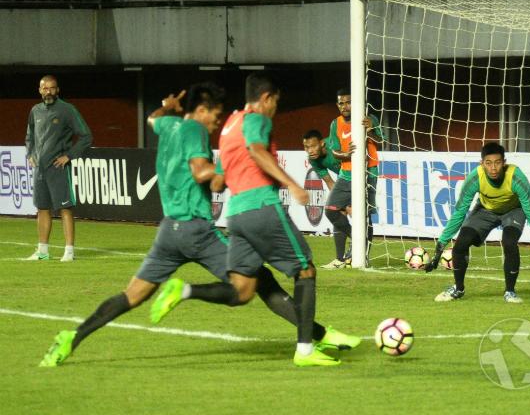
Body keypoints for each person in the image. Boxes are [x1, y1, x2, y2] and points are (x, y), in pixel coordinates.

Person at [38, 83, 355, 367]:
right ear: (201, 110)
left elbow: (152, 118)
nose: (216, 123)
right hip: (196, 230)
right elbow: (201, 170)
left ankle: (71, 338)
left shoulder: (169, 125)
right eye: (214, 116)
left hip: (168, 231)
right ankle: (318, 336)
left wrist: (168, 106)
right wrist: (228, 174)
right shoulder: (194, 131)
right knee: (257, 282)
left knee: (131, 295)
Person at [149, 74, 359, 367]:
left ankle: (185, 290)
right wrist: (291, 184)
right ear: (266, 98)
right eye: (275, 102)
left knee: (243, 289)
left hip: (235, 215)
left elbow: (217, 184)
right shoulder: (256, 119)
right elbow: (257, 150)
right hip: (262, 206)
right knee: (305, 271)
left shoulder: (228, 126)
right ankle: (306, 350)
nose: (275, 109)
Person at [424, 142, 530, 303]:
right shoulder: (475, 178)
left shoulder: (516, 178)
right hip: (485, 210)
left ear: (504, 163)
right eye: (488, 163)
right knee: (461, 242)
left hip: (514, 210)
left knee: (509, 242)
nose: (493, 168)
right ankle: (458, 288)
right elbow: (459, 213)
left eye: (497, 163)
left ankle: (510, 292)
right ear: (482, 163)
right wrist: (439, 248)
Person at [24, 75, 92, 262]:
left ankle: (69, 251)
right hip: (40, 169)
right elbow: (29, 136)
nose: (49, 92)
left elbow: (86, 136)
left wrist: (68, 156)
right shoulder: (35, 111)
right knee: (42, 208)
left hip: (58, 168)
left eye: (52, 88)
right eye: (45, 88)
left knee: (65, 209)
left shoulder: (67, 110)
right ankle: (43, 251)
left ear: (58, 90)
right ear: (40, 90)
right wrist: (30, 154)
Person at [322, 88, 383, 269]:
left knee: (365, 215)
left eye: (348, 102)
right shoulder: (336, 124)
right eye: (341, 103)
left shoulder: (368, 118)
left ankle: (362, 256)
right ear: (337, 105)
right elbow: (334, 150)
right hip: (346, 174)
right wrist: (345, 154)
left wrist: (369, 130)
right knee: (332, 209)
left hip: (368, 172)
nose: (345, 106)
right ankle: (350, 248)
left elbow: (381, 141)